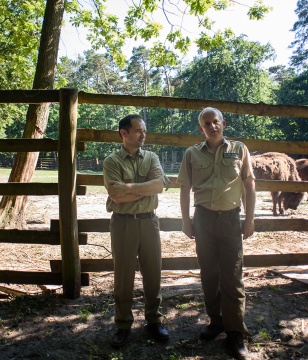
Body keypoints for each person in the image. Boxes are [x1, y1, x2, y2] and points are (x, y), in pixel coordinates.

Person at [177, 107, 255, 360]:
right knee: (209, 274)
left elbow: (249, 185)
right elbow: (185, 188)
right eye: (207, 123)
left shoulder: (239, 150)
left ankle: (235, 333)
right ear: (201, 128)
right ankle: (216, 321)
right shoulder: (191, 153)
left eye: (215, 122)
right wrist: (186, 222)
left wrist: (250, 219)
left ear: (223, 123)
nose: (212, 126)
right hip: (203, 219)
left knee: (232, 276)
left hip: (231, 219)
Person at [103, 114, 170, 348]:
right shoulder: (111, 161)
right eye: (139, 130)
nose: (144, 134)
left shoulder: (151, 157)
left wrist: (129, 188)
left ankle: (154, 320)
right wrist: (146, 189)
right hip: (122, 224)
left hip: (149, 222)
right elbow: (115, 194)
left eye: (144, 130)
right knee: (123, 277)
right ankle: (122, 324)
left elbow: (160, 185)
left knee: (153, 273)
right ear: (124, 133)